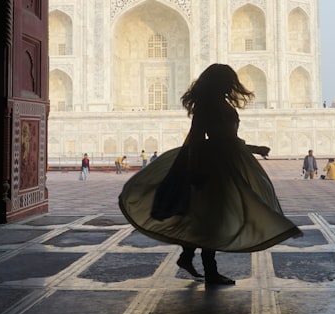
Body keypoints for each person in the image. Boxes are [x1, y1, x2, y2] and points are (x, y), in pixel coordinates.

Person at [118, 63, 303, 285]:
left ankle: (187, 257)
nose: (231, 85)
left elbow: (229, 138)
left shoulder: (217, 103)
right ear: (219, 82)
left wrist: (254, 149)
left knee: (207, 214)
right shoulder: (207, 106)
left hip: (226, 161)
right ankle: (210, 271)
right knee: (212, 217)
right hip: (213, 164)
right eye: (227, 81)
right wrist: (195, 169)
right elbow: (197, 138)